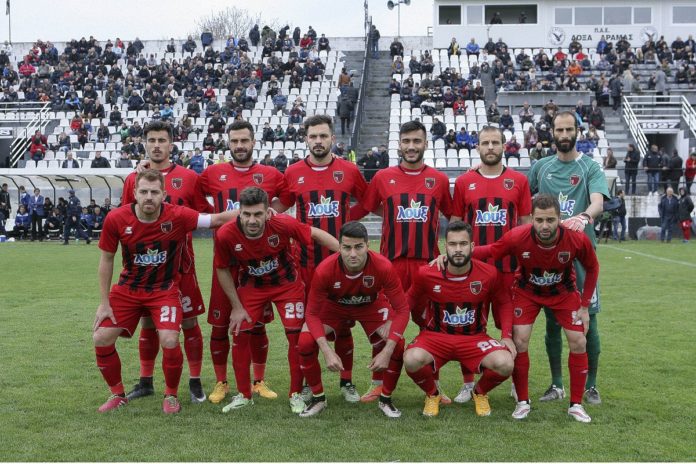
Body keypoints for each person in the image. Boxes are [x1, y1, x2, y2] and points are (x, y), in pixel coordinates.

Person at [92, 169, 235, 414]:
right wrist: (104, 303)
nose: (149, 197)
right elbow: (106, 260)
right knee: (101, 337)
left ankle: (170, 395)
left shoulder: (178, 215)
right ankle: (118, 394)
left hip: (164, 290)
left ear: (164, 194)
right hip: (129, 289)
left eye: (154, 192)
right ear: (134, 193)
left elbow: (216, 219)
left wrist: (258, 211)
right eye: (144, 191)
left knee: (169, 339)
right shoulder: (116, 218)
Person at [472, 194, 598, 423]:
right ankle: (522, 401)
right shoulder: (518, 236)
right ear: (531, 218)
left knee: (579, 341)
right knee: (520, 340)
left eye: (550, 220)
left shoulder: (576, 239)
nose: (545, 225)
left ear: (559, 218)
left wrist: (584, 305)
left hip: (563, 292)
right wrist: (460, 253)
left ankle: (576, 405)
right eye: (539, 220)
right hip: (527, 291)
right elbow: (491, 251)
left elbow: (593, 267)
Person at [213, 187, 339, 413]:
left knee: (296, 338)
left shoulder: (282, 223)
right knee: (240, 333)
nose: (252, 220)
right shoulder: (226, 234)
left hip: (286, 285)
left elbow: (315, 234)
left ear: (268, 213)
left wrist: (344, 253)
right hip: (252, 286)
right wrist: (236, 307)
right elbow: (222, 269)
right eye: (247, 214)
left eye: (258, 214)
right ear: (239, 212)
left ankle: (295, 394)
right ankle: (244, 395)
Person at [195, 120, 293, 405]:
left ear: (253, 142)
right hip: (225, 262)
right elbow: (194, 195)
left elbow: (288, 197)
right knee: (219, 325)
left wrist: (269, 214)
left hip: (258, 265)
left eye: (244, 141)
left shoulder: (271, 174)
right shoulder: (212, 173)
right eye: (234, 141)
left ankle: (258, 380)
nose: (239, 146)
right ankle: (222, 382)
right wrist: (217, 218)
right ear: (228, 143)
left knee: (257, 324)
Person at [361, 120, 453, 402]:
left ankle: (434, 388)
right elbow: (368, 206)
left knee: (432, 328)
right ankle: (378, 384)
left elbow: (453, 214)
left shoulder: (438, 180)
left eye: (416, 141)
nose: (411, 146)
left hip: (428, 266)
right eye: (406, 141)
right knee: (386, 326)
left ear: (425, 144)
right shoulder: (382, 177)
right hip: (391, 266)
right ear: (399, 144)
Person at [120, 121, 212, 404]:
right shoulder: (133, 179)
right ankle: (146, 381)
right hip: (146, 269)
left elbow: (204, 215)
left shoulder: (189, 178)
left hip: (182, 266)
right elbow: (124, 218)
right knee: (148, 323)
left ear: (171, 145)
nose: (157, 145)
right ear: (144, 144)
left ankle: (195, 382)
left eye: (162, 140)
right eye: (152, 140)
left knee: (189, 322)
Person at [283, 115, 370, 402]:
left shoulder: (349, 170)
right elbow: (281, 204)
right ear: (306, 139)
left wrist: (347, 222)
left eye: (323, 136)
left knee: (342, 325)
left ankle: (346, 381)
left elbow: (367, 201)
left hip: (341, 266)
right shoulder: (293, 172)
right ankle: (309, 382)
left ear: (333, 138)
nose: (318, 141)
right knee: (306, 329)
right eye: (313, 136)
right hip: (306, 264)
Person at [528, 111, 609, 405]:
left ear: (578, 132)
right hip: (550, 258)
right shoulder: (540, 167)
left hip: (582, 257)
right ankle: (557, 384)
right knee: (552, 322)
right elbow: (520, 195)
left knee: (589, 322)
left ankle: (591, 386)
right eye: (559, 130)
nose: (564, 135)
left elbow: (598, 201)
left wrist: (584, 216)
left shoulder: (590, 167)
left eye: (569, 129)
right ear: (552, 132)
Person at [450, 126, 532, 402]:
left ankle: (516, 383)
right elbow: (456, 225)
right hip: (473, 269)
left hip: (509, 269)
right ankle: (468, 383)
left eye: (495, 143)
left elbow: (526, 226)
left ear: (504, 146)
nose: (490, 147)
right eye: (485, 143)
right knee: (470, 326)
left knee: (515, 330)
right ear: (477, 147)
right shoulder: (464, 182)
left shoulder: (519, 181)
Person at [297, 221, 409, 417]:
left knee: (397, 343)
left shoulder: (382, 266)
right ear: (339, 247)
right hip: (335, 307)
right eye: (347, 248)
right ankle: (318, 398)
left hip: (370, 305)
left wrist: (387, 350)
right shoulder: (325, 270)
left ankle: (385, 399)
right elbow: (312, 313)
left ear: (368, 245)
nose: (353, 254)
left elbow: (402, 309)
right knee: (305, 341)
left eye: (358, 247)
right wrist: (327, 351)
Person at [404, 221, 515, 417]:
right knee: (411, 359)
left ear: (472, 246)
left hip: (474, 338)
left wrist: (506, 335)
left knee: (505, 363)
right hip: (436, 337)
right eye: (452, 244)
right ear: (445, 246)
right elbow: (407, 303)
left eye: (463, 244)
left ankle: (479, 393)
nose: (457, 249)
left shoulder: (489, 274)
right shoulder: (426, 273)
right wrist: (393, 328)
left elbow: (505, 303)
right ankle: (433, 394)